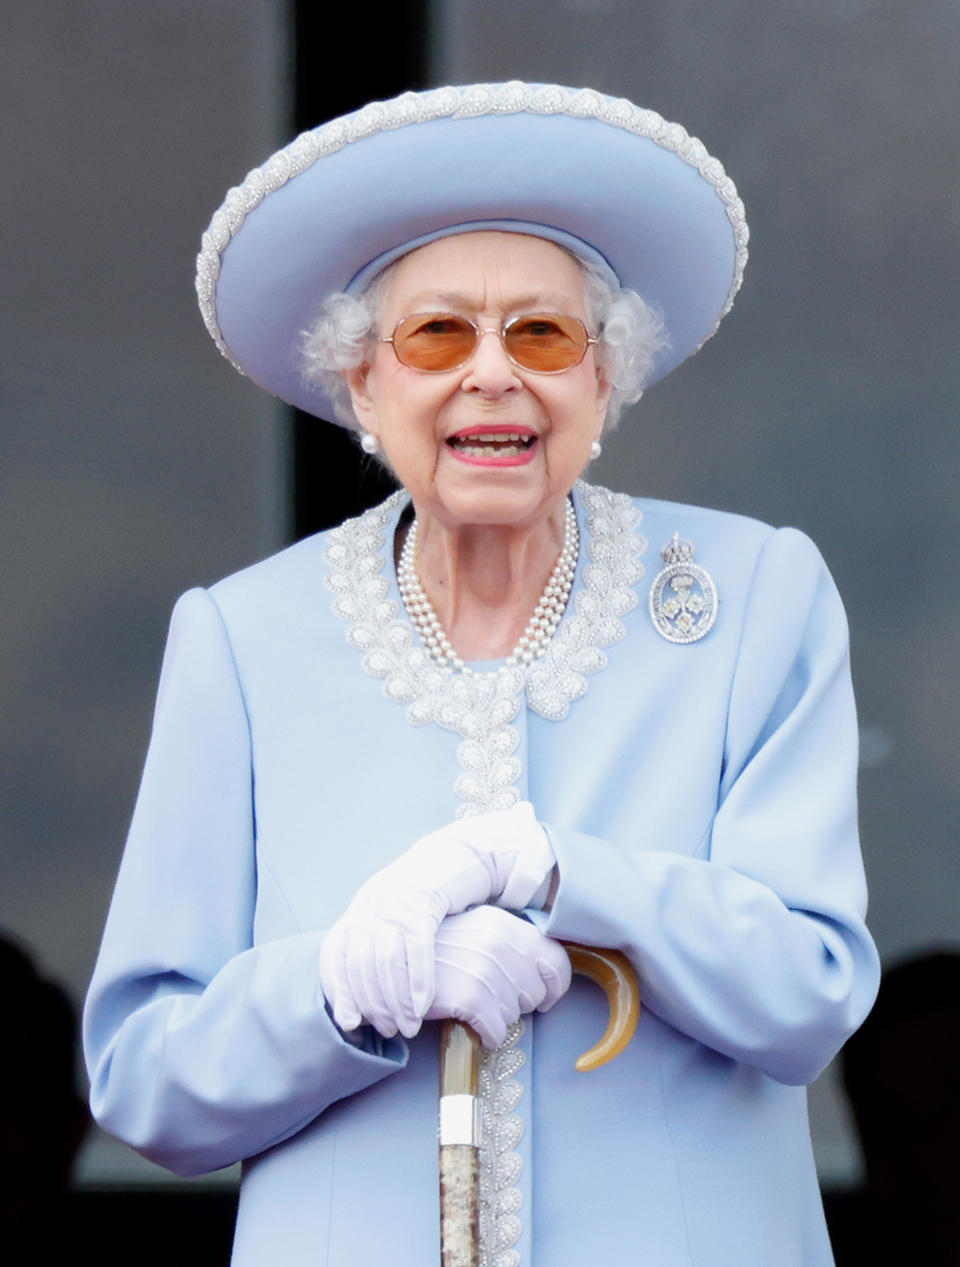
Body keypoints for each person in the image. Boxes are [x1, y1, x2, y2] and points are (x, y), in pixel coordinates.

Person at [84, 82, 880, 1266]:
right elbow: (143, 1077)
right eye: (437, 335)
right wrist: (344, 988)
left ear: (606, 379)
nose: (494, 376)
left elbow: (810, 990)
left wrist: (565, 873)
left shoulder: (755, 594)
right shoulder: (243, 641)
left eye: (545, 334)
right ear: (363, 387)